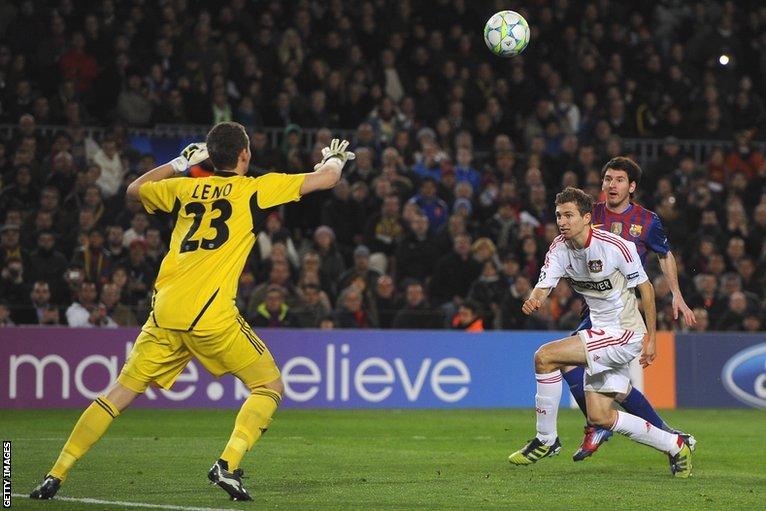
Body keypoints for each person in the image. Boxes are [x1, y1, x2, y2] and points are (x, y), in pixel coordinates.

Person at [30, 122, 355, 501]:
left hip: (165, 312)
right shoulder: (253, 191)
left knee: (119, 392)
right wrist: (333, 159)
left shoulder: (183, 189)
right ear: (245, 155)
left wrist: (177, 163)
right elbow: (326, 180)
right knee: (269, 386)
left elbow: (133, 191)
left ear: (209, 156)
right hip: (211, 315)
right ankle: (227, 463)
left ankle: (56, 474)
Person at [507, 187, 692, 478]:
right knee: (600, 416)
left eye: (569, 215)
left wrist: (652, 338)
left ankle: (546, 439)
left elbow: (645, 289)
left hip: (624, 332)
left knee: (545, 357)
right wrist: (535, 298)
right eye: (558, 215)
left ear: (586, 217)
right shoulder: (559, 248)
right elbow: (545, 283)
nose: (562, 221)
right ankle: (674, 444)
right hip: (601, 331)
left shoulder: (614, 246)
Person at [565, 156, 696, 460]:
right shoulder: (590, 213)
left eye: (619, 180)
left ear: (632, 186)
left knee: (567, 363)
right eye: (608, 179)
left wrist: (676, 293)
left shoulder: (647, 221)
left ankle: (599, 425)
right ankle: (667, 435)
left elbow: (665, 255)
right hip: (595, 305)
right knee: (613, 384)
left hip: (622, 309)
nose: (612, 185)